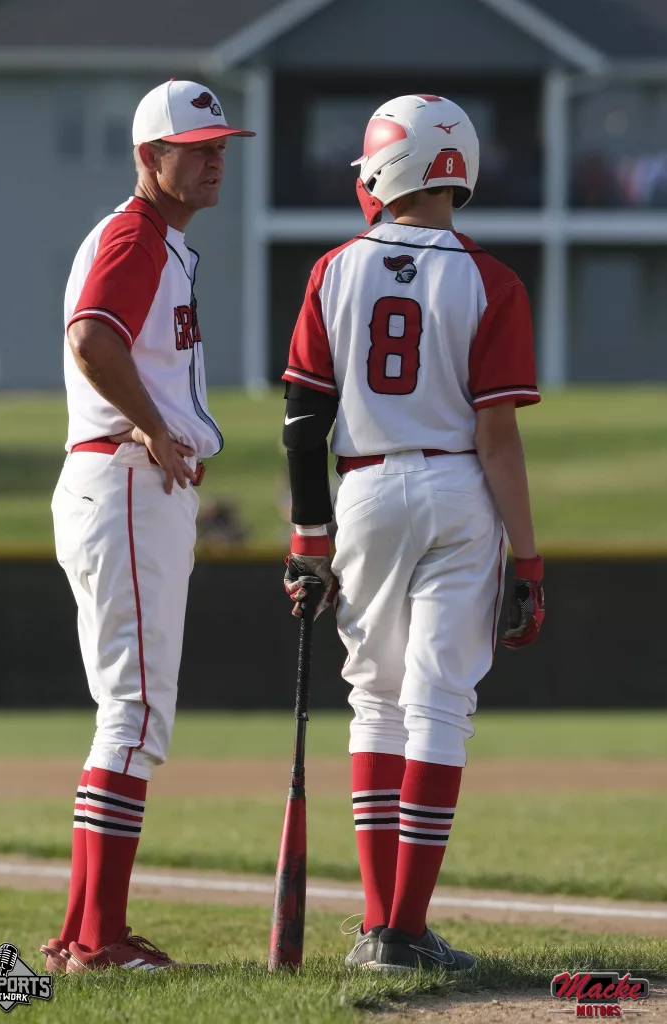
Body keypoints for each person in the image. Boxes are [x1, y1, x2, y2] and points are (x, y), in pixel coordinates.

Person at [281, 94, 544, 972]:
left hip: (362, 489)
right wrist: (530, 558)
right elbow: (497, 435)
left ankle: (375, 926)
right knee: (439, 704)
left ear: (385, 166)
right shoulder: (493, 280)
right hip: (459, 488)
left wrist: (308, 539)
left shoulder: (333, 269)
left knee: (377, 701)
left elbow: (302, 422)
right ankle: (405, 928)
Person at [42, 80, 254, 973]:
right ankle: (99, 940)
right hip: (126, 484)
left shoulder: (151, 239)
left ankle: (83, 935)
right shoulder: (134, 235)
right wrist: (154, 425)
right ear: (148, 156)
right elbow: (93, 338)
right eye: (195, 149)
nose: (214, 161)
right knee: (132, 716)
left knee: (125, 714)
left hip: (122, 483)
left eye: (219, 147)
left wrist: (150, 425)